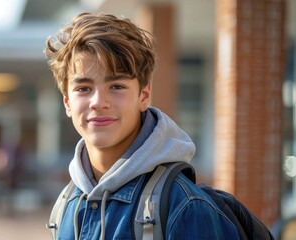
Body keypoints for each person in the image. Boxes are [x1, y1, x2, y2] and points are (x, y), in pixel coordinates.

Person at [44, 13, 239, 239]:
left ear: (144, 96)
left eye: (116, 86)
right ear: (67, 103)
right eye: (83, 88)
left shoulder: (184, 207)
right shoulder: (66, 205)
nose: (98, 102)